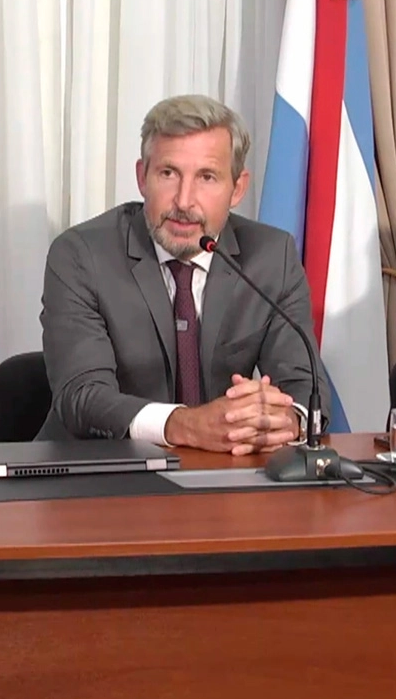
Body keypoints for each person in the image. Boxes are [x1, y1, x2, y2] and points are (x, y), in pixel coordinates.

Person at [38, 94, 330, 454]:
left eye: (207, 177)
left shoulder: (271, 257)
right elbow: (82, 396)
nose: (184, 201)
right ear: (142, 177)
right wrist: (186, 425)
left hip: (222, 473)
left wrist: (287, 420)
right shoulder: (82, 255)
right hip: (98, 470)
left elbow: (306, 385)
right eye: (168, 173)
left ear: (237, 188)